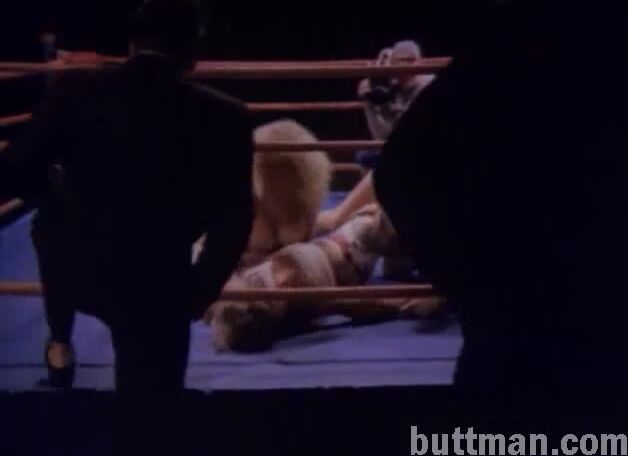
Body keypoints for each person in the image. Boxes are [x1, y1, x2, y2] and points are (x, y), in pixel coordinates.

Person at [374, 2, 628, 423]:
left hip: (509, 351)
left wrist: (469, 291)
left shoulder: (489, 80)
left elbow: (400, 174)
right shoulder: (531, 72)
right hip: (540, 349)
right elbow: (399, 173)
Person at [0, 0, 253, 395]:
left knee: (49, 223)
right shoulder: (225, 117)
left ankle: (59, 342)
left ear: (132, 44)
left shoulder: (76, 93)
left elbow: (16, 170)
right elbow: (234, 219)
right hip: (159, 281)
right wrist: (196, 293)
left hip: (79, 268)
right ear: (193, 53)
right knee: (151, 413)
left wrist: (54, 193)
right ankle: (63, 341)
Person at [316, 40, 434, 234]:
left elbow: (396, 137)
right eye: (396, 64)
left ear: (417, 62)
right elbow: (380, 136)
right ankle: (373, 207)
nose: (400, 71)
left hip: (429, 154)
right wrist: (370, 103)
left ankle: (339, 216)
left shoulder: (426, 86)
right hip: (406, 152)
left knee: (391, 161)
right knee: (367, 154)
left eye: (407, 62)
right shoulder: (391, 85)